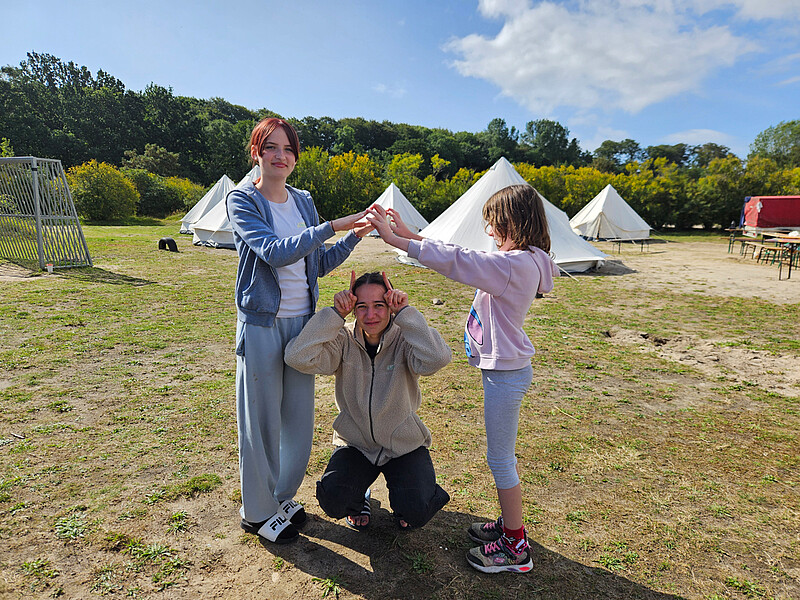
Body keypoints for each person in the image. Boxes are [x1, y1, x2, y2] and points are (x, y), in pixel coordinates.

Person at [367, 184, 558, 573]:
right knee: (500, 458)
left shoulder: (512, 265)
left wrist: (396, 241)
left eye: (493, 224)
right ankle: (508, 527)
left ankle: (515, 546)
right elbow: (464, 256)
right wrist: (407, 233)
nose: (489, 232)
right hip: (506, 371)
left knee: (500, 460)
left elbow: (457, 262)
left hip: (505, 375)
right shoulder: (525, 260)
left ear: (511, 222)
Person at [227, 117, 370, 544]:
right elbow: (272, 251)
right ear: (257, 152)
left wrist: (353, 238)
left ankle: (281, 498)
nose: (280, 156)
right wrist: (333, 227)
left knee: (298, 422)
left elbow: (315, 262)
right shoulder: (242, 199)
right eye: (270, 147)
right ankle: (256, 512)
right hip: (262, 323)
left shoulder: (303, 200)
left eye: (288, 149)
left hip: (302, 325)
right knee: (261, 421)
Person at [284, 271, 451, 531]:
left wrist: (406, 313)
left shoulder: (406, 338)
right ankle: (360, 498)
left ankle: (410, 496)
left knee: (416, 510)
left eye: (379, 306)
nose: (370, 315)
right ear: (352, 308)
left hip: (402, 445)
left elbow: (437, 359)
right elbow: (297, 357)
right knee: (333, 500)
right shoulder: (343, 340)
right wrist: (334, 315)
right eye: (362, 306)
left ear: (391, 306)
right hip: (356, 444)